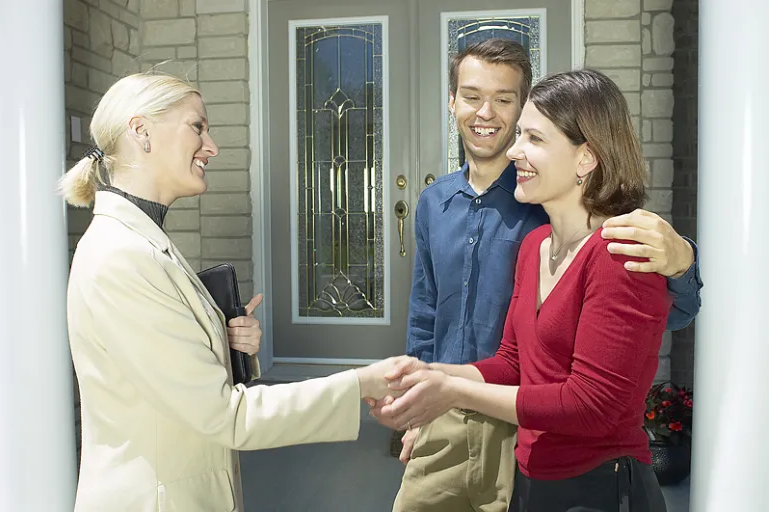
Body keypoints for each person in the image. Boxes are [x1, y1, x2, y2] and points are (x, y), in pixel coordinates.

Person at [370, 39, 702, 512]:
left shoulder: (608, 241)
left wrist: (683, 262)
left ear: (585, 157)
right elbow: (481, 343)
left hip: (568, 464)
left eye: (508, 105)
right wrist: (421, 377)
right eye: (471, 95)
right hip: (505, 451)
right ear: (452, 101)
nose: (514, 149)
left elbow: (620, 365)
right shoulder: (521, 240)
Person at [59, 72, 414, 512]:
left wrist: (220, 344)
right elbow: (225, 416)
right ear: (141, 131)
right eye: (197, 126)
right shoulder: (122, 256)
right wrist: (361, 383)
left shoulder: (141, 241)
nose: (212, 146)